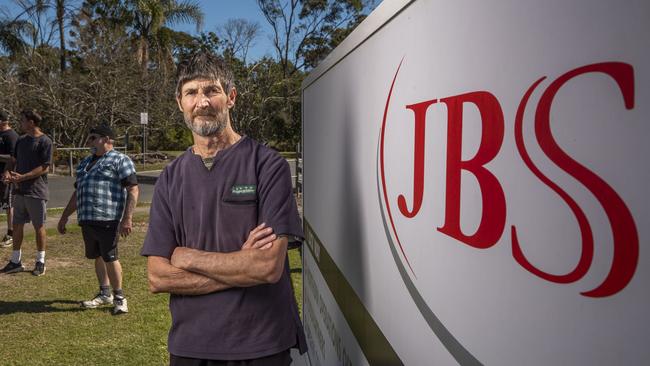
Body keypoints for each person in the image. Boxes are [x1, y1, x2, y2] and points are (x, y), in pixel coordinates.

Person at [141, 52, 306, 365]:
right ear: (179, 102)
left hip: (261, 343)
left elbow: (268, 267)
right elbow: (158, 277)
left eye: (211, 91)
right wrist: (243, 264)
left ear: (230, 97)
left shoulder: (267, 166)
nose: (201, 102)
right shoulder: (170, 178)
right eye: (191, 92)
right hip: (191, 346)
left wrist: (187, 257)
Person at [57, 124, 138, 315]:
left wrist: (127, 218)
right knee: (98, 256)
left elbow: (133, 189)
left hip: (108, 218)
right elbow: (78, 193)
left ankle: (120, 298)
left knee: (110, 256)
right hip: (88, 219)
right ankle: (105, 293)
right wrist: (64, 216)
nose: (89, 141)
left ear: (107, 139)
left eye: (93, 137)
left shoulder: (120, 160)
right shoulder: (85, 162)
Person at [0, 110, 52, 276]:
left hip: (36, 191)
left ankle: (40, 261)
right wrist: (8, 173)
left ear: (31, 122)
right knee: (17, 225)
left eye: (22, 120)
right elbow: (12, 160)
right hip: (19, 191)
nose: (20, 123)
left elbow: (45, 167)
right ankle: (16, 261)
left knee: (39, 227)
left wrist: (23, 177)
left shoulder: (45, 141)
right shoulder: (21, 140)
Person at [0, 111, 19, 248]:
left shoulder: (11, 136)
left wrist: (7, 171)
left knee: (9, 205)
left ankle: (11, 234)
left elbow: (13, 157)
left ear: (3, 121)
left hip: (6, 176)